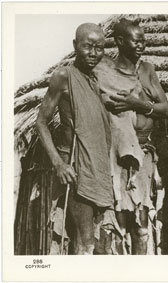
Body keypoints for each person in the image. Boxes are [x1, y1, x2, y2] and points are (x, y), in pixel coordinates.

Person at [36, 23, 114, 255]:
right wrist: (58, 163)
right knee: (85, 242)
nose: (93, 53)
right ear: (75, 46)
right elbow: (41, 122)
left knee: (93, 241)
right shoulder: (63, 76)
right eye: (88, 46)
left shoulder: (94, 79)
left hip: (96, 167)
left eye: (99, 48)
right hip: (75, 165)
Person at [95, 18, 168, 254]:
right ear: (119, 41)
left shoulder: (147, 70)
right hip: (117, 156)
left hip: (144, 153)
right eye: (136, 41)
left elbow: (166, 109)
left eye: (143, 40)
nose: (141, 45)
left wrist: (135, 103)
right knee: (118, 214)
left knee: (141, 217)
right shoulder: (104, 71)